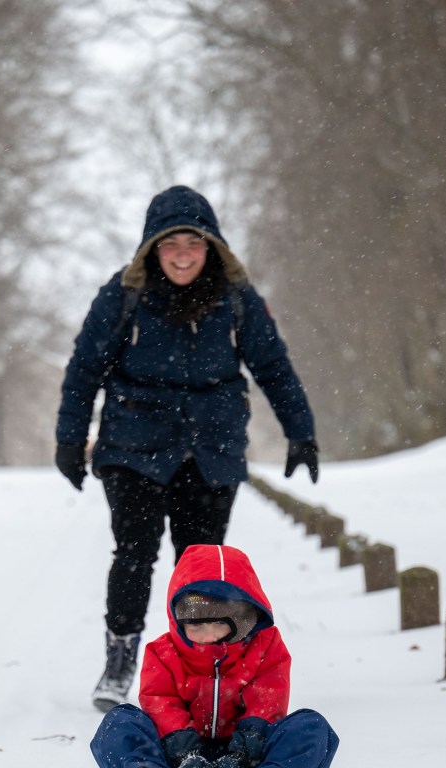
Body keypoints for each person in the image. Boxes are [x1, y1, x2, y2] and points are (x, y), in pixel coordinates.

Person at [55, 185, 319, 712]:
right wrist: (69, 438)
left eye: (192, 244)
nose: (181, 254)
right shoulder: (122, 296)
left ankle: (195, 667)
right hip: (133, 445)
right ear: (152, 248)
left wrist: (300, 430)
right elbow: (85, 369)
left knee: (199, 567)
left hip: (211, 448)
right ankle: (122, 656)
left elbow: (272, 366)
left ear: (211, 247)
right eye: (169, 243)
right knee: (133, 555)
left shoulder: (237, 299)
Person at [90, 543, 339, 768]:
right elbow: (161, 703)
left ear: (243, 619)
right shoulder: (163, 652)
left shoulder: (265, 646)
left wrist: (242, 755)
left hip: (248, 758)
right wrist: (184, 756)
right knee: (118, 723)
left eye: (220, 624)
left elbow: (267, 699)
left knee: (312, 727)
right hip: (176, 759)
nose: (208, 636)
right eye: (196, 625)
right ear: (179, 621)